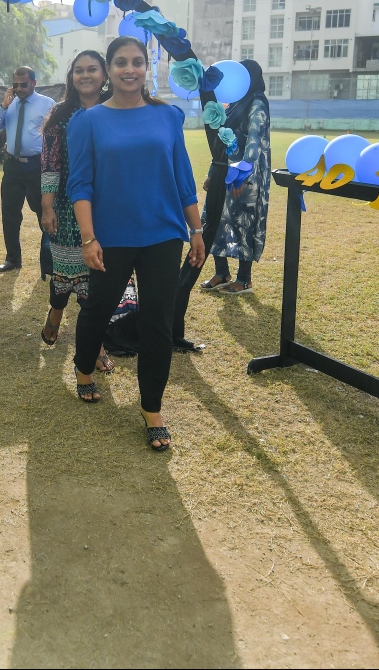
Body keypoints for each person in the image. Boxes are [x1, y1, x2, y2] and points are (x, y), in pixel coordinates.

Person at [67, 36, 204, 451]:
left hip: (163, 233)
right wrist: (89, 239)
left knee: (159, 323)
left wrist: (196, 231)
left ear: (148, 68)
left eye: (138, 62)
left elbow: (182, 177)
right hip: (110, 238)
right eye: (121, 62)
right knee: (99, 309)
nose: (130, 69)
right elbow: (80, 185)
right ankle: (84, 368)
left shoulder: (168, 117)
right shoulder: (88, 121)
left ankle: (152, 408)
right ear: (108, 69)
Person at [38, 51, 113, 366]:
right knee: (66, 274)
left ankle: (93, 343)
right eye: (79, 70)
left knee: (97, 279)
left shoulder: (117, 108)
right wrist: (47, 206)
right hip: (69, 206)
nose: (85, 75)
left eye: (92, 69)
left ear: (104, 74)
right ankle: (57, 312)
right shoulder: (60, 113)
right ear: (71, 77)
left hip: (109, 204)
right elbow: (50, 164)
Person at [201, 59, 271, 295]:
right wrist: (214, 173)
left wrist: (240, 177)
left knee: (243, 223)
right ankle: (222, 273)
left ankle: (244, 279)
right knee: (215, 219)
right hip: (224, 171)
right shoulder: (232, 105)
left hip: (245, 176)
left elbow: (253, 143)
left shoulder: (257, 103)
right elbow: (222, 143)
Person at [0, 66, 55, 272]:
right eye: (15, 85)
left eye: (23, 84)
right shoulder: (10, 104)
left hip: (37, 165)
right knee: (10, 213)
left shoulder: (47, 104)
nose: (19, 89)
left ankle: (49, 260)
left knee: (43, 212)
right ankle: (13, 259)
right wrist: (3, 107)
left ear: (34, 83)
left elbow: (54, 135)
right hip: (13, 165)